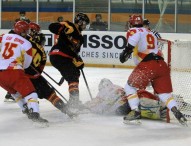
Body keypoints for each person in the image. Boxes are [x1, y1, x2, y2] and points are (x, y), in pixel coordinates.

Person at [119, 14, 187, 125]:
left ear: (131, 23)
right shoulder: (150, 32)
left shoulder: (133, 31)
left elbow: (133, 41)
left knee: (129, 87)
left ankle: (135, 111)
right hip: (161, 64)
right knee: (164, 94)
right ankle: (176, 111)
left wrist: (126, 51)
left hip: (148, 65)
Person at [0, 21, 48, 125]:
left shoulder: (4, 36)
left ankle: (25, 109)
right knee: (31, 92)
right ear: (24, 31)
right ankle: (35, 114)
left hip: (0, 74)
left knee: (14, 93)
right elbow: (27, 64)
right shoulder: (26, 43)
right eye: (27, 31)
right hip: (14, 71)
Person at [48, 13, 90, 114]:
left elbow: (74, 52)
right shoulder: (69, 25)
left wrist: (79, 61)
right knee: (72, 76)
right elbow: (51, 27)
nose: (86, 26)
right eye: (85, 24)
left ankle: (74, 101)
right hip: (58, 55)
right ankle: (74, 103)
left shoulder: (81, 38)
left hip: (65, 58)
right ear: (80, 22)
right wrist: (63, 28)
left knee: (75, 73)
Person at [83, 78, 167, 120]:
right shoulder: (117, 86)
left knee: (135, 108)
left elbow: (96, 106)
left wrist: (86, 106)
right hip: (130, 98)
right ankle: (160, 102)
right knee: (140, 97)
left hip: (121, 106)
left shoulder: (102, 92)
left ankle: (156, 109)